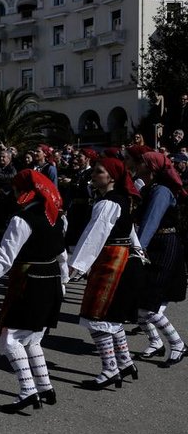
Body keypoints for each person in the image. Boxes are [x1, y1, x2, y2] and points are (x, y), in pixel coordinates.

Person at [0, 170, 68, 412]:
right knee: (33, 338)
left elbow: (4, 259)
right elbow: (62, 254)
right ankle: (45, 386)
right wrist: (63, 281)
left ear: (22, 191)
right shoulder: (55, 216)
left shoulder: (22, 219)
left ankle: (28, 391)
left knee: (10, 338)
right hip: (51, 280)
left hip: (30, 282)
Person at [67, 158, 145, 389]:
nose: (93, 175)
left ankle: (110, 369)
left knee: (96, 317)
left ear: (111, 177)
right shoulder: (121, 199)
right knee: (110, 318)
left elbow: (94, 236)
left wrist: (75, 266)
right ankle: (125, 362)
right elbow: (130, 233)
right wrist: (139, 252)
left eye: (99, 172)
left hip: (111, 262)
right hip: (120, 259)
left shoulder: (108, 203)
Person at [133, 152, 186, 364]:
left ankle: (178, 344)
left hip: (164, 245)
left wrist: (139, 248)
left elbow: (151, 221)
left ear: (151, 168)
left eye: (141, 162)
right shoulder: (149, 189)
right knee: (138, 300)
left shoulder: (161, 191)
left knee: (149, 302)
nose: (136, 164)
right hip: (154, 244)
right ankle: (155, 342)